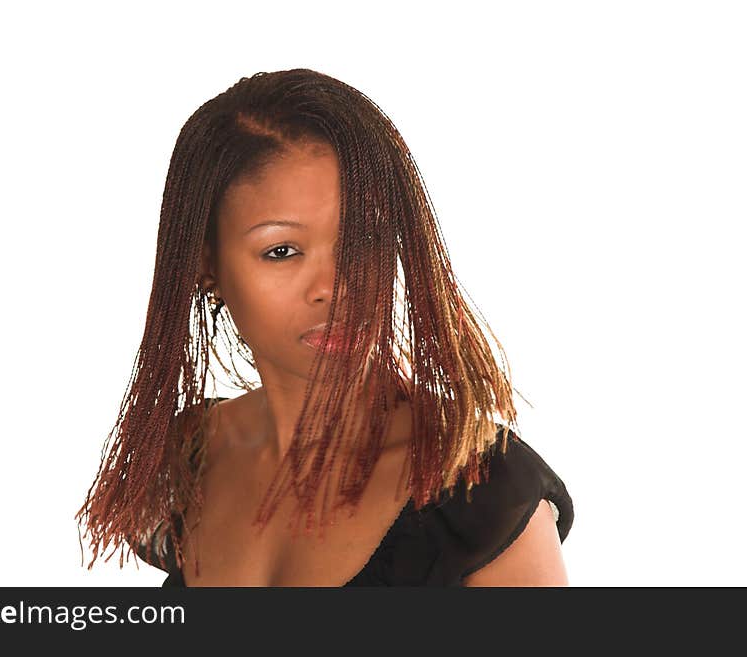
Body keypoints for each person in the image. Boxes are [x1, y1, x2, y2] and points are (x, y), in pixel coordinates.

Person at [75, 68, 574, 587]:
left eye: (361, 242)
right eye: (282, 251)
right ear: (206, 266)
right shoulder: (187, 463)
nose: (336, 287)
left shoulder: (480, 493)